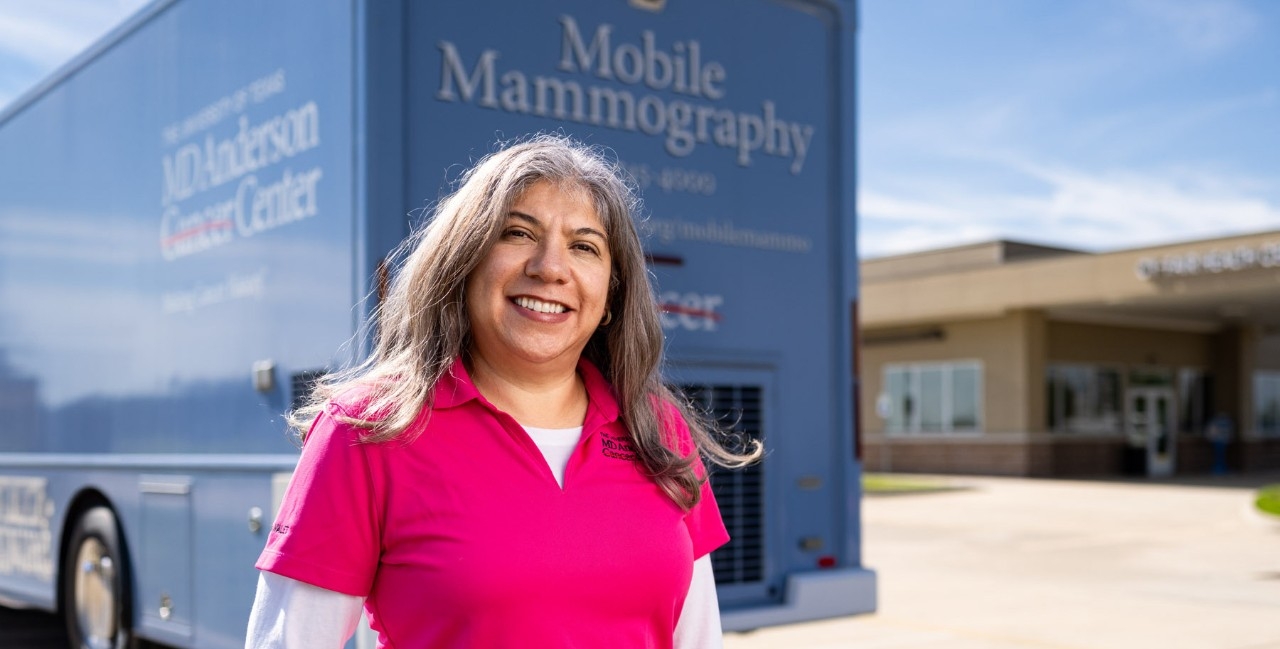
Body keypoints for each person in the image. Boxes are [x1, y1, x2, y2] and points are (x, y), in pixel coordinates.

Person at [245, 134, 759, 648]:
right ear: (464, 265)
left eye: (583, 246)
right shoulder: (367, 431)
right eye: (517, 233)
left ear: (609, 297)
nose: (550, 267)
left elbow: (699, 638)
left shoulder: (657, 427)